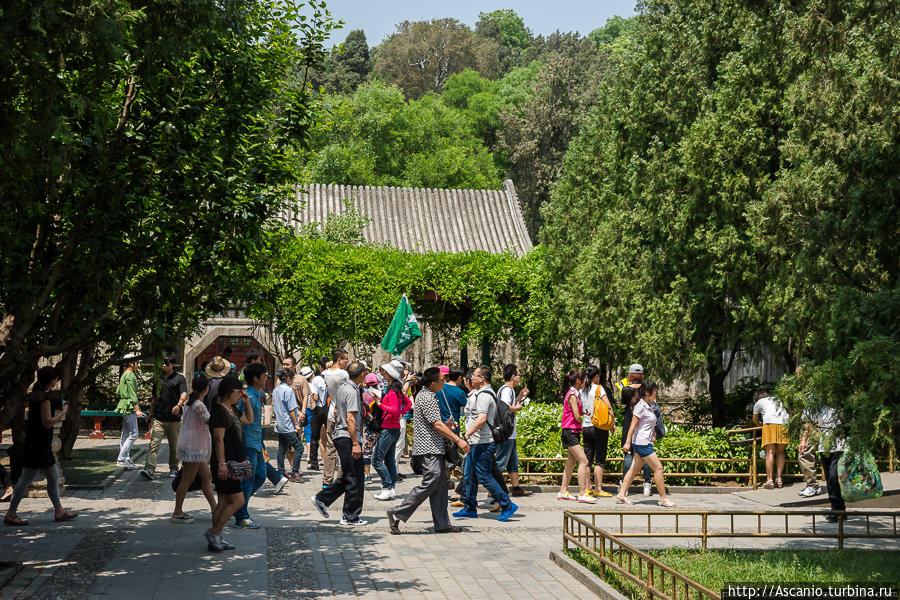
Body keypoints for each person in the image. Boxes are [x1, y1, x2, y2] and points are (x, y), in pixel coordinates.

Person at [387, 367, 470, 535]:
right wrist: (458, 440)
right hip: (428, 448)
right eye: (442, 380)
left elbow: (435, 423)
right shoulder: (427, 397)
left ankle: (442, 523)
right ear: (433, 383)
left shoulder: (429, 395)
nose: (444, 382)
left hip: (434, 447)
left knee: (440, 486)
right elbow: (436, 424)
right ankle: (398, 512)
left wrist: (446, 425)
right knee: (432, 481)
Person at [4, 366, 77, 526]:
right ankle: (11, 513)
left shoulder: (40, 393)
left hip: (37, 443)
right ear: (50, 380)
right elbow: (47, 422)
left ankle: (59, 511)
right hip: (39, 445)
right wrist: (63, 413)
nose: (57, 380)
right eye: (55, 378)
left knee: (50, 477)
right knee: (29, 479)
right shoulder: (44, 398)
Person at [453, 365, 519, 522]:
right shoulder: (481, 393)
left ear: (481, 379)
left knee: (484, 476)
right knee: (469, 475)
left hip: (482, 443)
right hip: (475, 442)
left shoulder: (484, 395)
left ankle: (507, 504)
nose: (471, 378)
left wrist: (468, 433)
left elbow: (482, 419)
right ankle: (469, 507)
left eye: (474, 376)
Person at [310, 361, 368, 526]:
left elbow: (336, 411)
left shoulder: (344, 388)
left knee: (350, 476)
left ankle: (322, 499)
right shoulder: (351, 391)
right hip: (347, 437)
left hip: (342, 435)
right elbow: (350, 418)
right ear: (362, 374)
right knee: (354, 478)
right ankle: (350, 516)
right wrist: (356, 443)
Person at [207, 376, 253, 552]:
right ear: (230, 392)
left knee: (224, 501)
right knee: (238, 500)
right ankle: (213, 532)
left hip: (232, 462)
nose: (241, 394)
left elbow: (248, 420)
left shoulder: (232, 409)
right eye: (239, 391)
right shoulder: (219, 411)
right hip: (226, 463)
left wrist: (246, 402)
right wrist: (221, 464)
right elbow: (218, 439)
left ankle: (216, 538)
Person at [615, 381, 675, 507]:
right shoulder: (640, 406)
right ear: (647, 393)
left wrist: (653, 432)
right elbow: (632, 426)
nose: (656, 393)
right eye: (654, 391)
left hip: (643, 442)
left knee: (632, 471)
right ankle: (663, 498)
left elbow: (648, 423)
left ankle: (621, 495)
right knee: (658, 469)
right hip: (642, 444)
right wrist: (627, 442)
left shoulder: (649, 405)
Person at [172, 374, 217, 523]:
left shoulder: (191, 403)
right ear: (206, 388)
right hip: (194, 447)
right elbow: (210, 421)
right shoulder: (199, 405)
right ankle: (177, 512)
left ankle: (215, 508)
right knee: (187, 479)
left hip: (192, 445)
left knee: (206, 477)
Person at [140, 352, 187, 481]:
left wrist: (178, 405)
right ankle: (149, 469)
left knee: (174, 445)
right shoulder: (157, 378)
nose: (163, 366)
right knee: (153, 444)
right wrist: (151, 412)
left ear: (172, 364)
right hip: (159, 418)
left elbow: (184, 394)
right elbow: (154, 398)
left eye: (166, 363)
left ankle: (173, 468)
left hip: (174, 419)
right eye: (162, 363)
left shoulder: (179, 378)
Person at [232, 362, 268, 529]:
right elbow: (240, 421)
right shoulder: (250, 398)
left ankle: (238, 505)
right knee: (248, 480)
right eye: (264, 375)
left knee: (261, 475)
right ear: (255, 378)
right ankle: (242, 516)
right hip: (248, 444)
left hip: (256, 442)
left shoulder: (256, 395)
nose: (267, 378)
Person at [372, 359, 411, 500]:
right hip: (393, 428)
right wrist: (402, 412)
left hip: (389, 429)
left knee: (376, 460)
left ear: (390, 374)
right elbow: (407, 403)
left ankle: (387, 486)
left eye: (385, 372)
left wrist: (380, 404)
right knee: (389, 461)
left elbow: (394, 409)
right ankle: (391, 488)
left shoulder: (393, 391)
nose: (383, 374)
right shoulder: (396, 389)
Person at [556, 369, 596, 504]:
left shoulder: (574, 393)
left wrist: (583, 412)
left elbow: (575, 412)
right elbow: (576, 416)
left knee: (571, 463)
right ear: (578, 381)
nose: (586, 381)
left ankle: (563, 491)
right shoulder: (573, 394)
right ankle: (583, 493)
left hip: (572, 432)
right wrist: (581, 417)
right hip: (570, 432)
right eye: (584, 379)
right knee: (584, 461)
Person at [801, 405, 847, 522]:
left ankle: (837, 510)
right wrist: (804, 440)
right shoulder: (816, 402)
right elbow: (808, 421)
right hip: (824, 446)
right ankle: (838, 509)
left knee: (834, 477)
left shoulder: (838, 400)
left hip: (839, 445)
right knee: (830, 479)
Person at [495, 364, 532, 499]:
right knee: (500, 462)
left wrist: (520, 397)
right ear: (513, 377)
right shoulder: (506, 390)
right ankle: (493, 489)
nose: (519, 377)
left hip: (511, 432)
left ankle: (516, 488)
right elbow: (505, 408)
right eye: (518, 375)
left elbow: (509, 404)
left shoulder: (508, 391)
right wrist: (518, 409)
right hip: (507, 432)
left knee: (512, 462)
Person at [580, 365, 614, 498]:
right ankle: (598, 488)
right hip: (599, 427)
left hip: (586, 427)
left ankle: (588, 488)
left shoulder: (582, 389)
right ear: (595, 376)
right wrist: (612, 423)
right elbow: (608, 406)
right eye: (598, 376)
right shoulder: (598, 389)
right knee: (599, 459)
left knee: (588, 459)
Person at [621, 364, 653, 496]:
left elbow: (623, 403)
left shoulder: (626, 390)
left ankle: (625, 485)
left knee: (628, 455)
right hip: (644, 426)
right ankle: (647, 484)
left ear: (630, 375)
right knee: (646, 455)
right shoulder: (647, 390)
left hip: (630, 423)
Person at [322, 349, 349, 487]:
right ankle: (341, 478)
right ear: (339, 360)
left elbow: (327, 368)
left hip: (331, 412)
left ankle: (327, 480)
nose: (347, 362)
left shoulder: (325, 374)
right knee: (344, 447)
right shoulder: (344, 374)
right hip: (343, 413)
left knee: (330, 447)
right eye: (345, 359)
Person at [752, 389, 789, 489]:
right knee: (781, 452)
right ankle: (779, 478)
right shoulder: (777, 399)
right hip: (784, 424)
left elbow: (754, 419)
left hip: (769, 423)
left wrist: (759, 425)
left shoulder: (759, 402)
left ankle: (769, 480)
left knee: (770, 452)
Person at [794, 366, 821, 497]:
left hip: (814, 427)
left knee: (804, 454)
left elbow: (809, 419)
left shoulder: (811, 393)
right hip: (821, 426)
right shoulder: (815, 391)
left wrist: (803, 439)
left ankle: (813, 485)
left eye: (799, 375)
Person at [273, 368, 304, 481]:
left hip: (279, 424)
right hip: (288, 425)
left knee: (281, 448)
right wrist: (296, 424)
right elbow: (291, 409)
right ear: (288, 378)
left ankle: (281, 471)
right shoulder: (288, 391)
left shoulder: (276, 390)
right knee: (299, 447)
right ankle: (295, 472)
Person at [115, 354, 144, 469]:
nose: (138, 365)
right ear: (131, 363)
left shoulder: (123, 375)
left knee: (125, 434)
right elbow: (133, 395)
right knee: (134, 434)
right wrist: (137, 410)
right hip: (129, 406)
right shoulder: (130, 375)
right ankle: (121, 459)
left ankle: (126, 458)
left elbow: (118, 391)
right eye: (136, 362)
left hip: (123, 405)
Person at [307, 357, 329, 470]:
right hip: (330, 409)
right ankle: (332, 462)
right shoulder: (333, 376)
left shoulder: (316, 379)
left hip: (319, 409)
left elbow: (315, 397)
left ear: (320, 366)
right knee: (331, 437)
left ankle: (314, 463)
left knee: (314, 437)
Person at [362, 373, 382, 481]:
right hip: (380, 426)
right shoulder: (381, 394)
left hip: (367, 425)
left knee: (366, 451)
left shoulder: (364, 395)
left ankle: (366, 474)